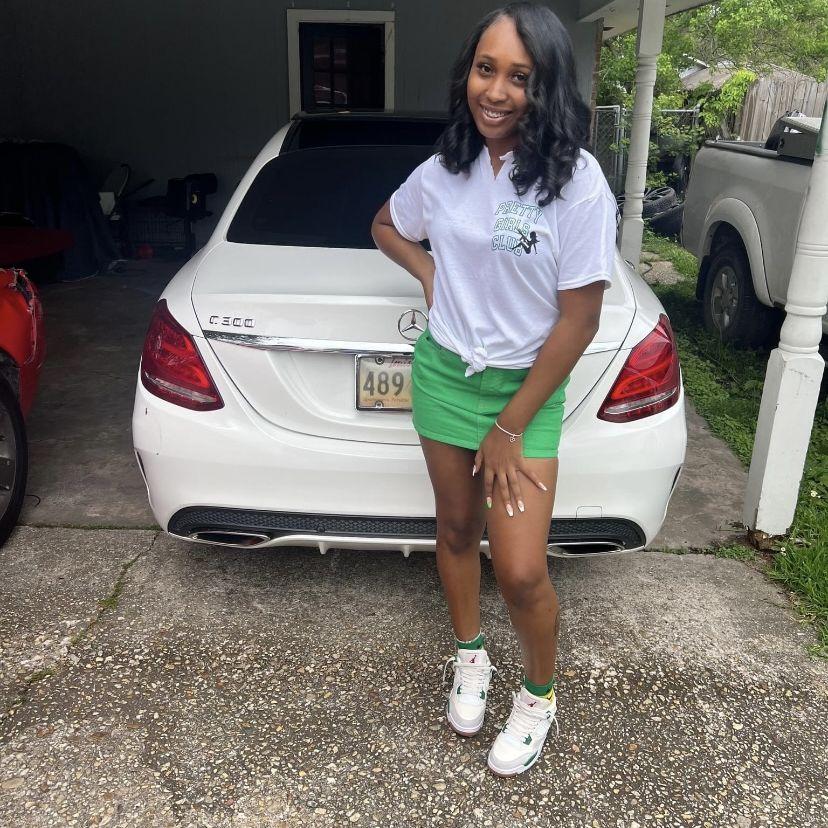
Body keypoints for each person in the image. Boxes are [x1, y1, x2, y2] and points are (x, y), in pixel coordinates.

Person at [371, 2, 617, 777]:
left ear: (548, 86)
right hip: (445, 376)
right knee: (453, 530)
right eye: (486, 69)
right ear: (467, 75)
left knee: (520, 569)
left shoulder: (577, 184)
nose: (498, 91)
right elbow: (385, 224)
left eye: (520, 76)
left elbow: (579, 319)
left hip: (526, 396)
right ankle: (470, 655)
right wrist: (427, 269)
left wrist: (509, 428)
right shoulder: (444, 168)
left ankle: (539, 696)